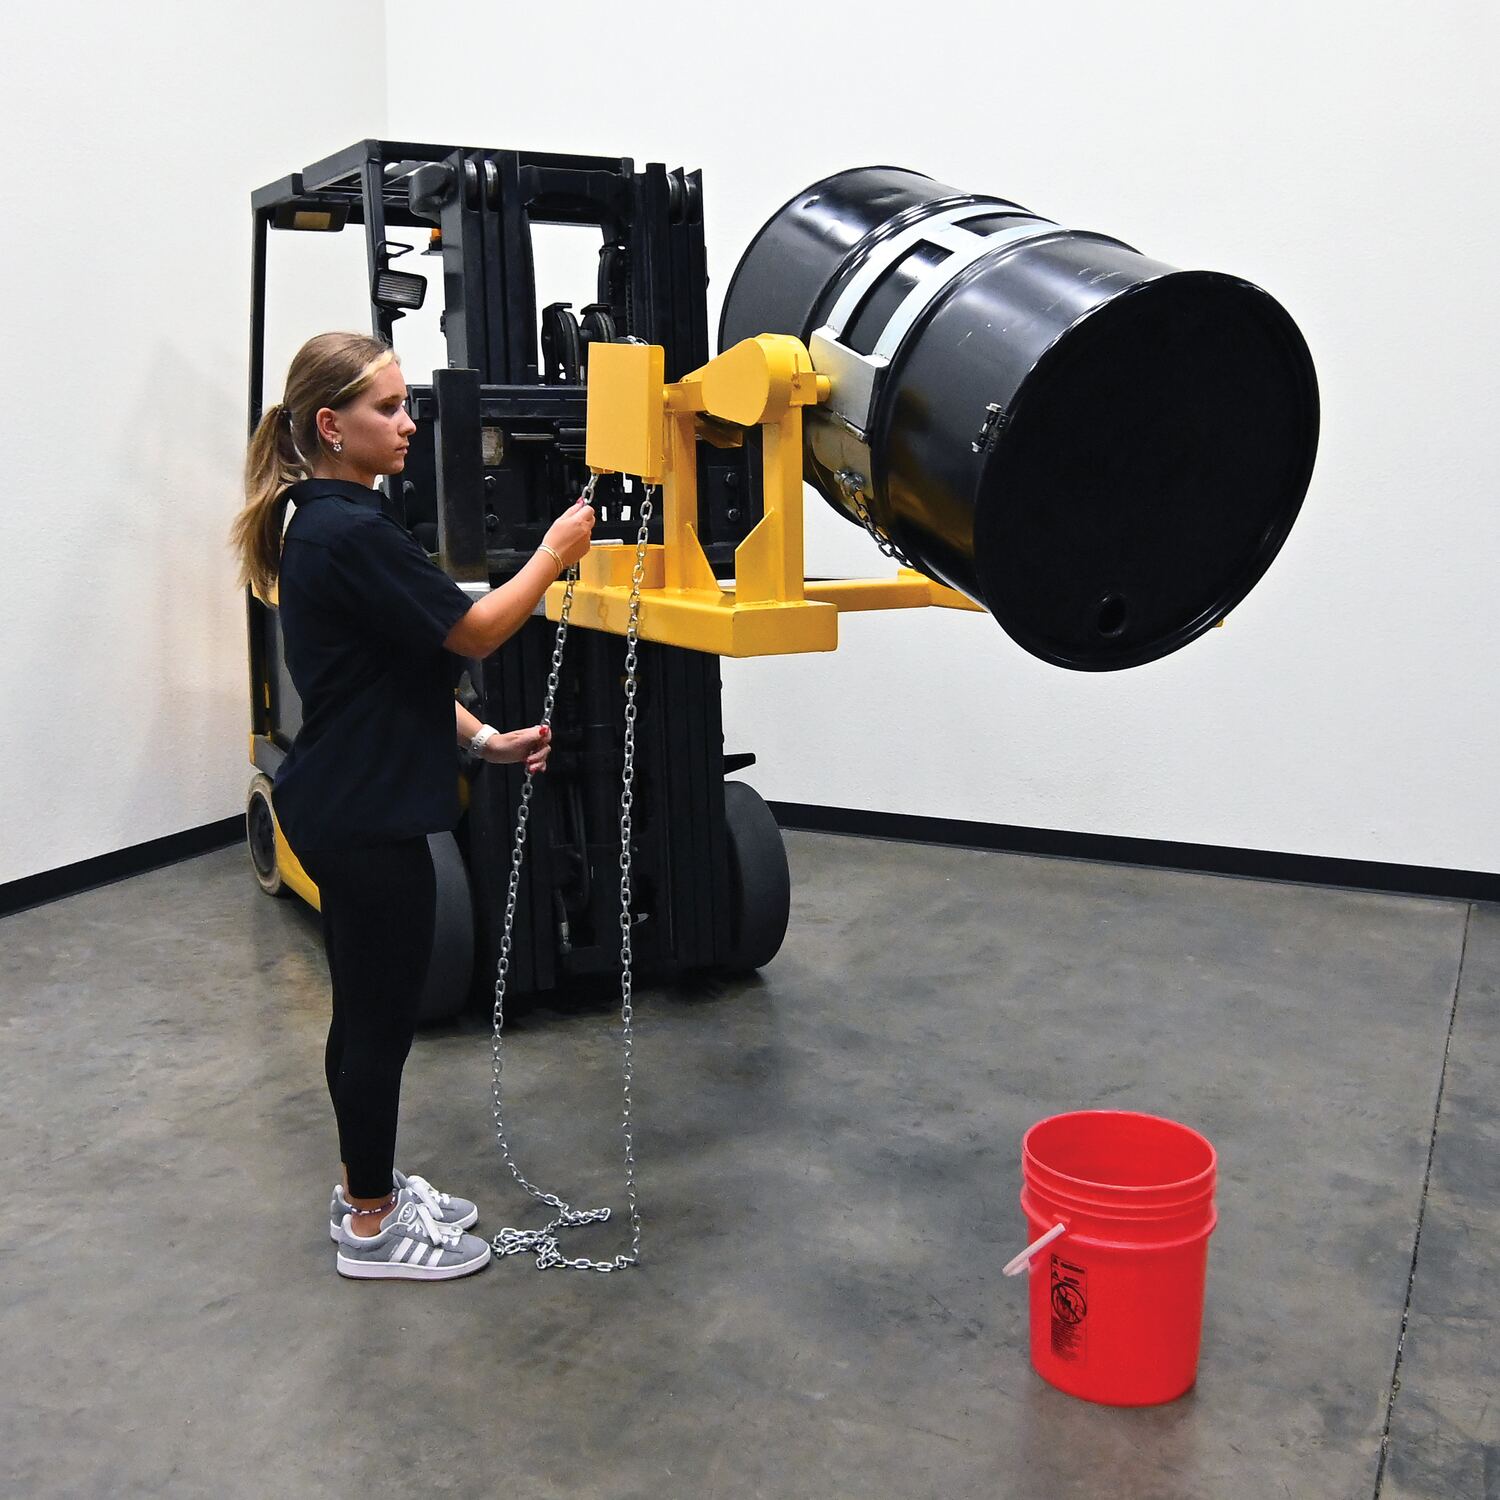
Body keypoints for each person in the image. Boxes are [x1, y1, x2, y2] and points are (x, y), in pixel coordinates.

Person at [229, 331, 595, 1280]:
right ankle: (371, 1224)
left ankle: (369, 1183)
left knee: (363, 1013)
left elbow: (396, 673)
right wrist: (553, 554)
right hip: (364, 816)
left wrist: (483, 740)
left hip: (350, 796)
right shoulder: (349, 532)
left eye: (404, 404)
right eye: (386, 408)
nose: (408, 423)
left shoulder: (334, 520)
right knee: (380, 1023)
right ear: (330, 425)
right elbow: (473, 630)